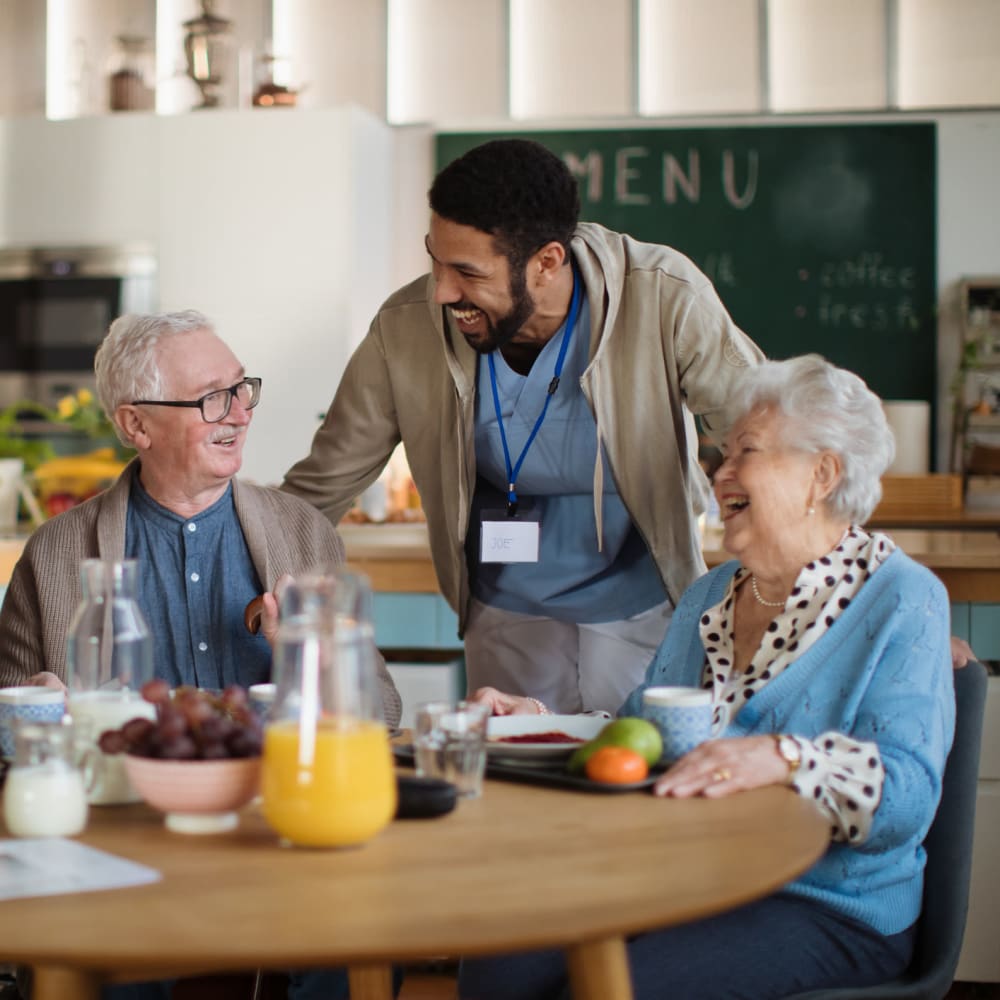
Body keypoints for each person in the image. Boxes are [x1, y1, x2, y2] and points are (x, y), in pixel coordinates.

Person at [464, 354, 955, 1000]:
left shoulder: (903, 600)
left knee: (622, 989)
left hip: (824, 902)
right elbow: (644, 736)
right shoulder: (709, 597)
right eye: (720, 454)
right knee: (500, 961)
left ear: (822, 474)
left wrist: (782, 757)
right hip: (687, 876)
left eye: (744, 451)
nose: (719, 473)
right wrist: (543, 724)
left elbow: (908, 796)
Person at [0, 310, 402, 1000]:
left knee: (361, 937)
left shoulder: (303, 533)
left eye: (242, 388)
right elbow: (10, 723)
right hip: (123, 836)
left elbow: (382, 717)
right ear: (136, 426)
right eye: (212, 397)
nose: (239, 412)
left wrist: (303, 656)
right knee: (106, 961)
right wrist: (32, 708)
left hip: (280, 824)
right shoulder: (57, 553)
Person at [282, 138, 764, 713]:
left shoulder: (662, 295)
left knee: (634, 772)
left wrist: (765, 579)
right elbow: (321, 484)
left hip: (642, 604)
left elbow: (765, 433)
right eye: (434, 260)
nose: (441, 291)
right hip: (505, 607)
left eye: (466, 271)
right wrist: (257, 573)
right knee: (517, 779)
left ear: (547, 262)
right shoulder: (406, 329)